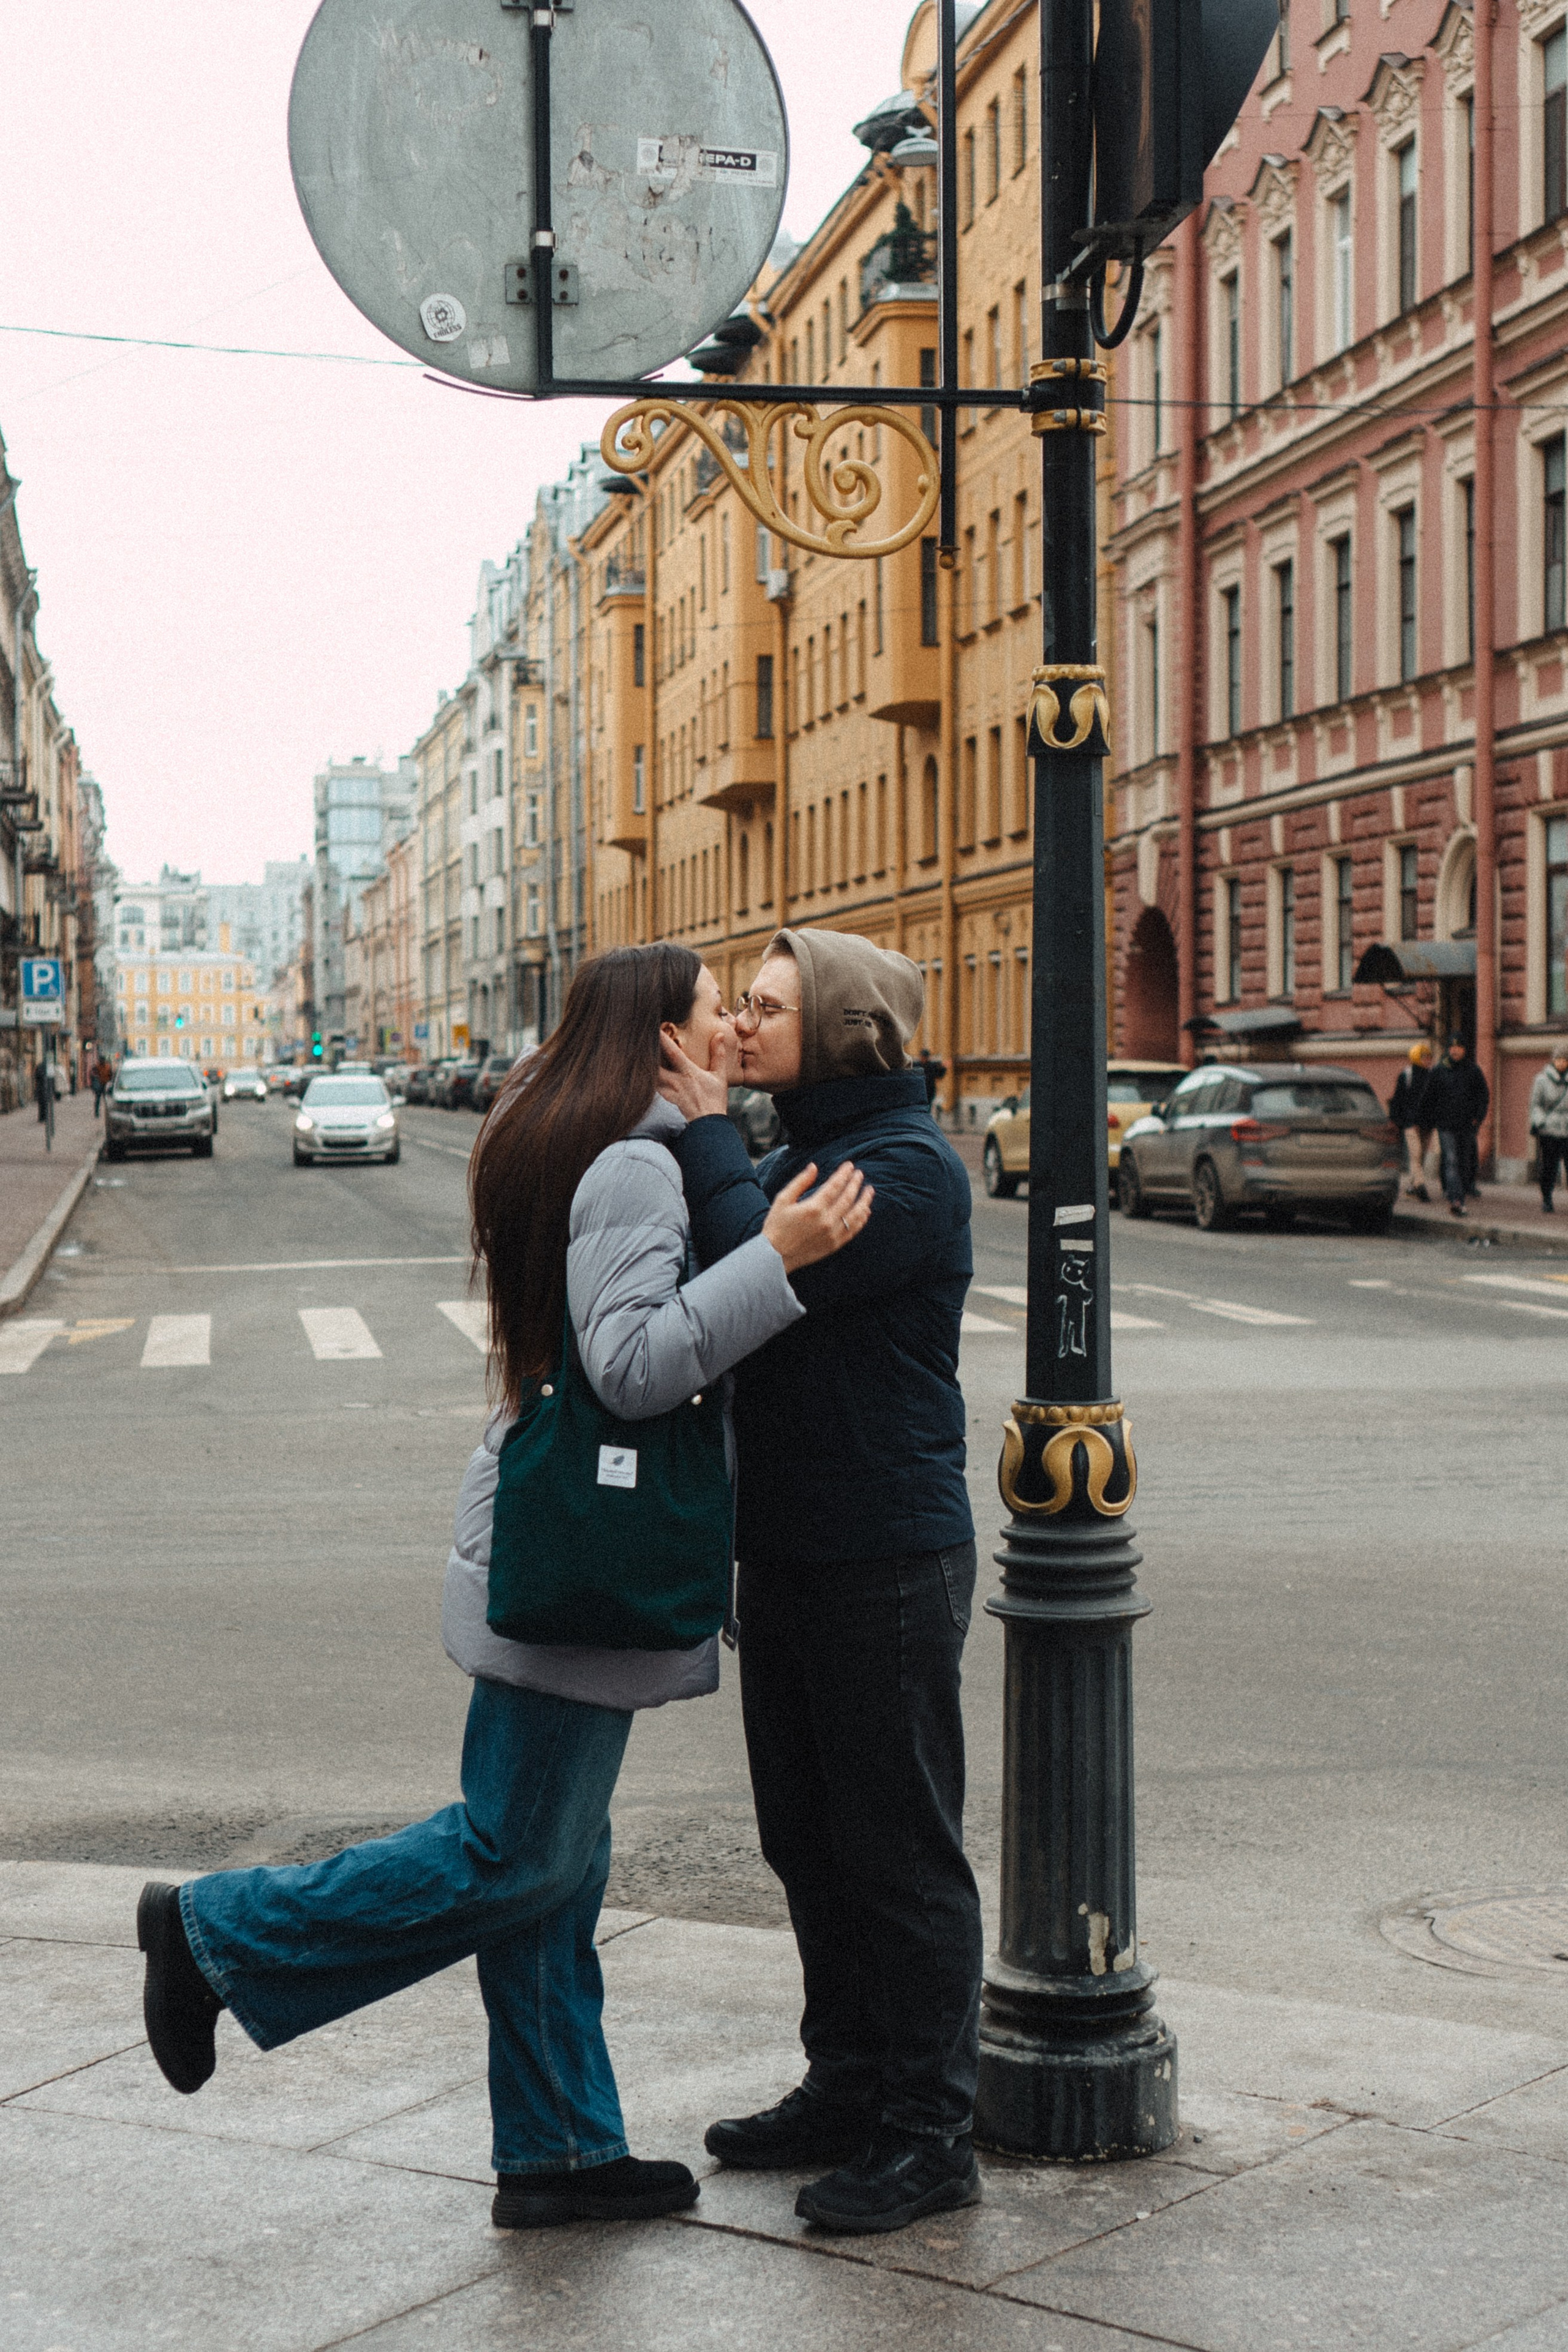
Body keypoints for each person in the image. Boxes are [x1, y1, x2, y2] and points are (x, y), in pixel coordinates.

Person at [135, 943, 870, 2233]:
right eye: (714, 1012)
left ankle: (558, 2148)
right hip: (583, 1560)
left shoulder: (591, 1140)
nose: (728, 1032)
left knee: (555, 1866)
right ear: (661, 1037)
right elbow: (633, 1368)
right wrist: (777, 1257)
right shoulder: (633, 1163)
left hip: (561, 1547)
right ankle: (215, 1936)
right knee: (516, 1855)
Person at [658, 927, 982, 2239]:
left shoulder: (901, 1171)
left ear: (844, 1033)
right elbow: (733, 1259)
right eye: (738, 1001)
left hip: (885, 1552)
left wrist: (706, 1131)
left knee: (897, 1854)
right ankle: (845, 2085)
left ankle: (929, 2132)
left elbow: (756, 1268)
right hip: (791, 1545)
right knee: (805, 1838)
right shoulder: (799, 1157)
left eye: (767, 1006)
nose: (739, 1022)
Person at [1423, 1034, 1490, 1218]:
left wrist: (1478, 1118)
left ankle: (1459, 1190)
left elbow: (1483, 1096)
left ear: (1464, 1050)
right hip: (1445, 1125)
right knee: (1451, 1160)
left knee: (1464, 1162)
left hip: (1467, 1125)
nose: (1455, 1050)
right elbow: (1429, 1097)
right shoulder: (1440, 1070)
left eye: (1459, 1047)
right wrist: (1430, 1120)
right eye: (1452, 1047)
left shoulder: (1473, 1071)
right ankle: (1457, 1200)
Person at [1389, 1040, 1435, 1200]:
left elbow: (1435, 1101)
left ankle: (1413, 1186)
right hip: (1410, 1123)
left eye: (1429, 1057)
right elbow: (1398, 1099)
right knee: (1415, 1154)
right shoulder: (1407, 1076)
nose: (1428, 1060)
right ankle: (1421, 1186)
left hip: (1427, 1123)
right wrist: (1396, 1121)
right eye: (1424, 1057)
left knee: (1422, 1155)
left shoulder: (1432, 1076)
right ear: (1415, 1057)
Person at [1528, 1044, 1568, 1212]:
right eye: (1559, 1059)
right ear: (1553, 1061)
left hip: (1567, 1129)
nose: (1562, 1063)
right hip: (1549, 1130)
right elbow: (1535, 1104)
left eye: (1565, 1060)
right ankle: (1547, 1198)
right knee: (1549, 1167)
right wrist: (1541, 1121)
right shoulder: (1542, 1080)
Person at [915, 1045, 946, 1110]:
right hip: (919, 1091)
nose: (923, 1059)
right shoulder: (917, 1066)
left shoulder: (932, 1066)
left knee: (928, 1107)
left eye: (925, 1057)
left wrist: (943, 1068)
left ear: (928, 1058)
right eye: (922, 1057)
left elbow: (939, 1075)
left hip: (930, 1091)